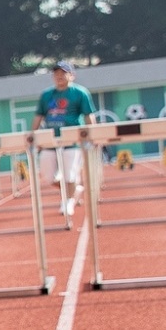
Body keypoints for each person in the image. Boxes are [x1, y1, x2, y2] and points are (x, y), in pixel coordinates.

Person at [34, 60, 96, 214]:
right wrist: (34, 137)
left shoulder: (80, 93)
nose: (59, 76)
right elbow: (38, 117)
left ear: (71, 75)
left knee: (69, 175)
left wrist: (93, 135)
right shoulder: (46, 95)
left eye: (63, 73)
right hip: (50, 141)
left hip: (72, 141)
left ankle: (68, 202)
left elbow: (89, 116)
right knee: (47, 177)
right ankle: (74, 189)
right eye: (56, 73)